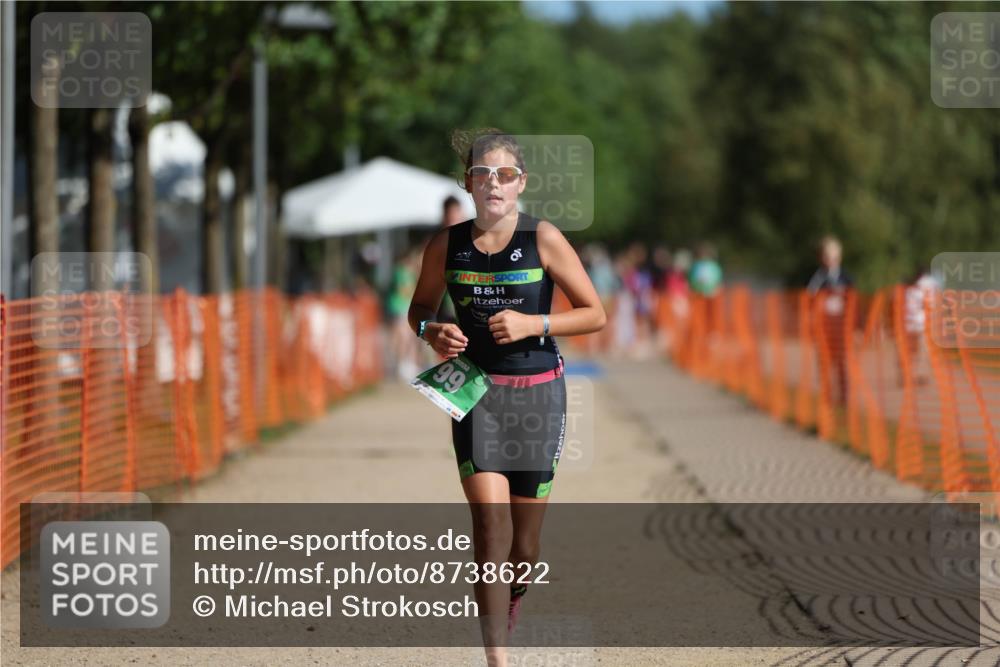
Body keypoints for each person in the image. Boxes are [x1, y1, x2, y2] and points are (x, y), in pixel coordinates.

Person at [408, 129, 606, 666]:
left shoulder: (543, 238)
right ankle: (497, 658)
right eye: (481, 173)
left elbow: (595, 312)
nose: (492, 183)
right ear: (466, 183)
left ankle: (516, 592)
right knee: (489, 529)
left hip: (539, 397)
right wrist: (432, 329)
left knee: (524, 548)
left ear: (521, 183)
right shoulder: (444, 244)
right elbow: (420, 307)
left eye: (504, 174)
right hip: (476, 395)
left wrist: (532, 323)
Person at [807, 235, 853, 404]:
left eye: (833, 256)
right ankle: (827, 396)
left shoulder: (846, 278)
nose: (830, 260)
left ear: (839, 257)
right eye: (826, 256)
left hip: (840, 325)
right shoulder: (818, 278)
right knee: (825, 362)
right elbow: (810, 297)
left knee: (842, 362)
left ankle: (844, 397)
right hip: (824, 326)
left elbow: (853, 301)